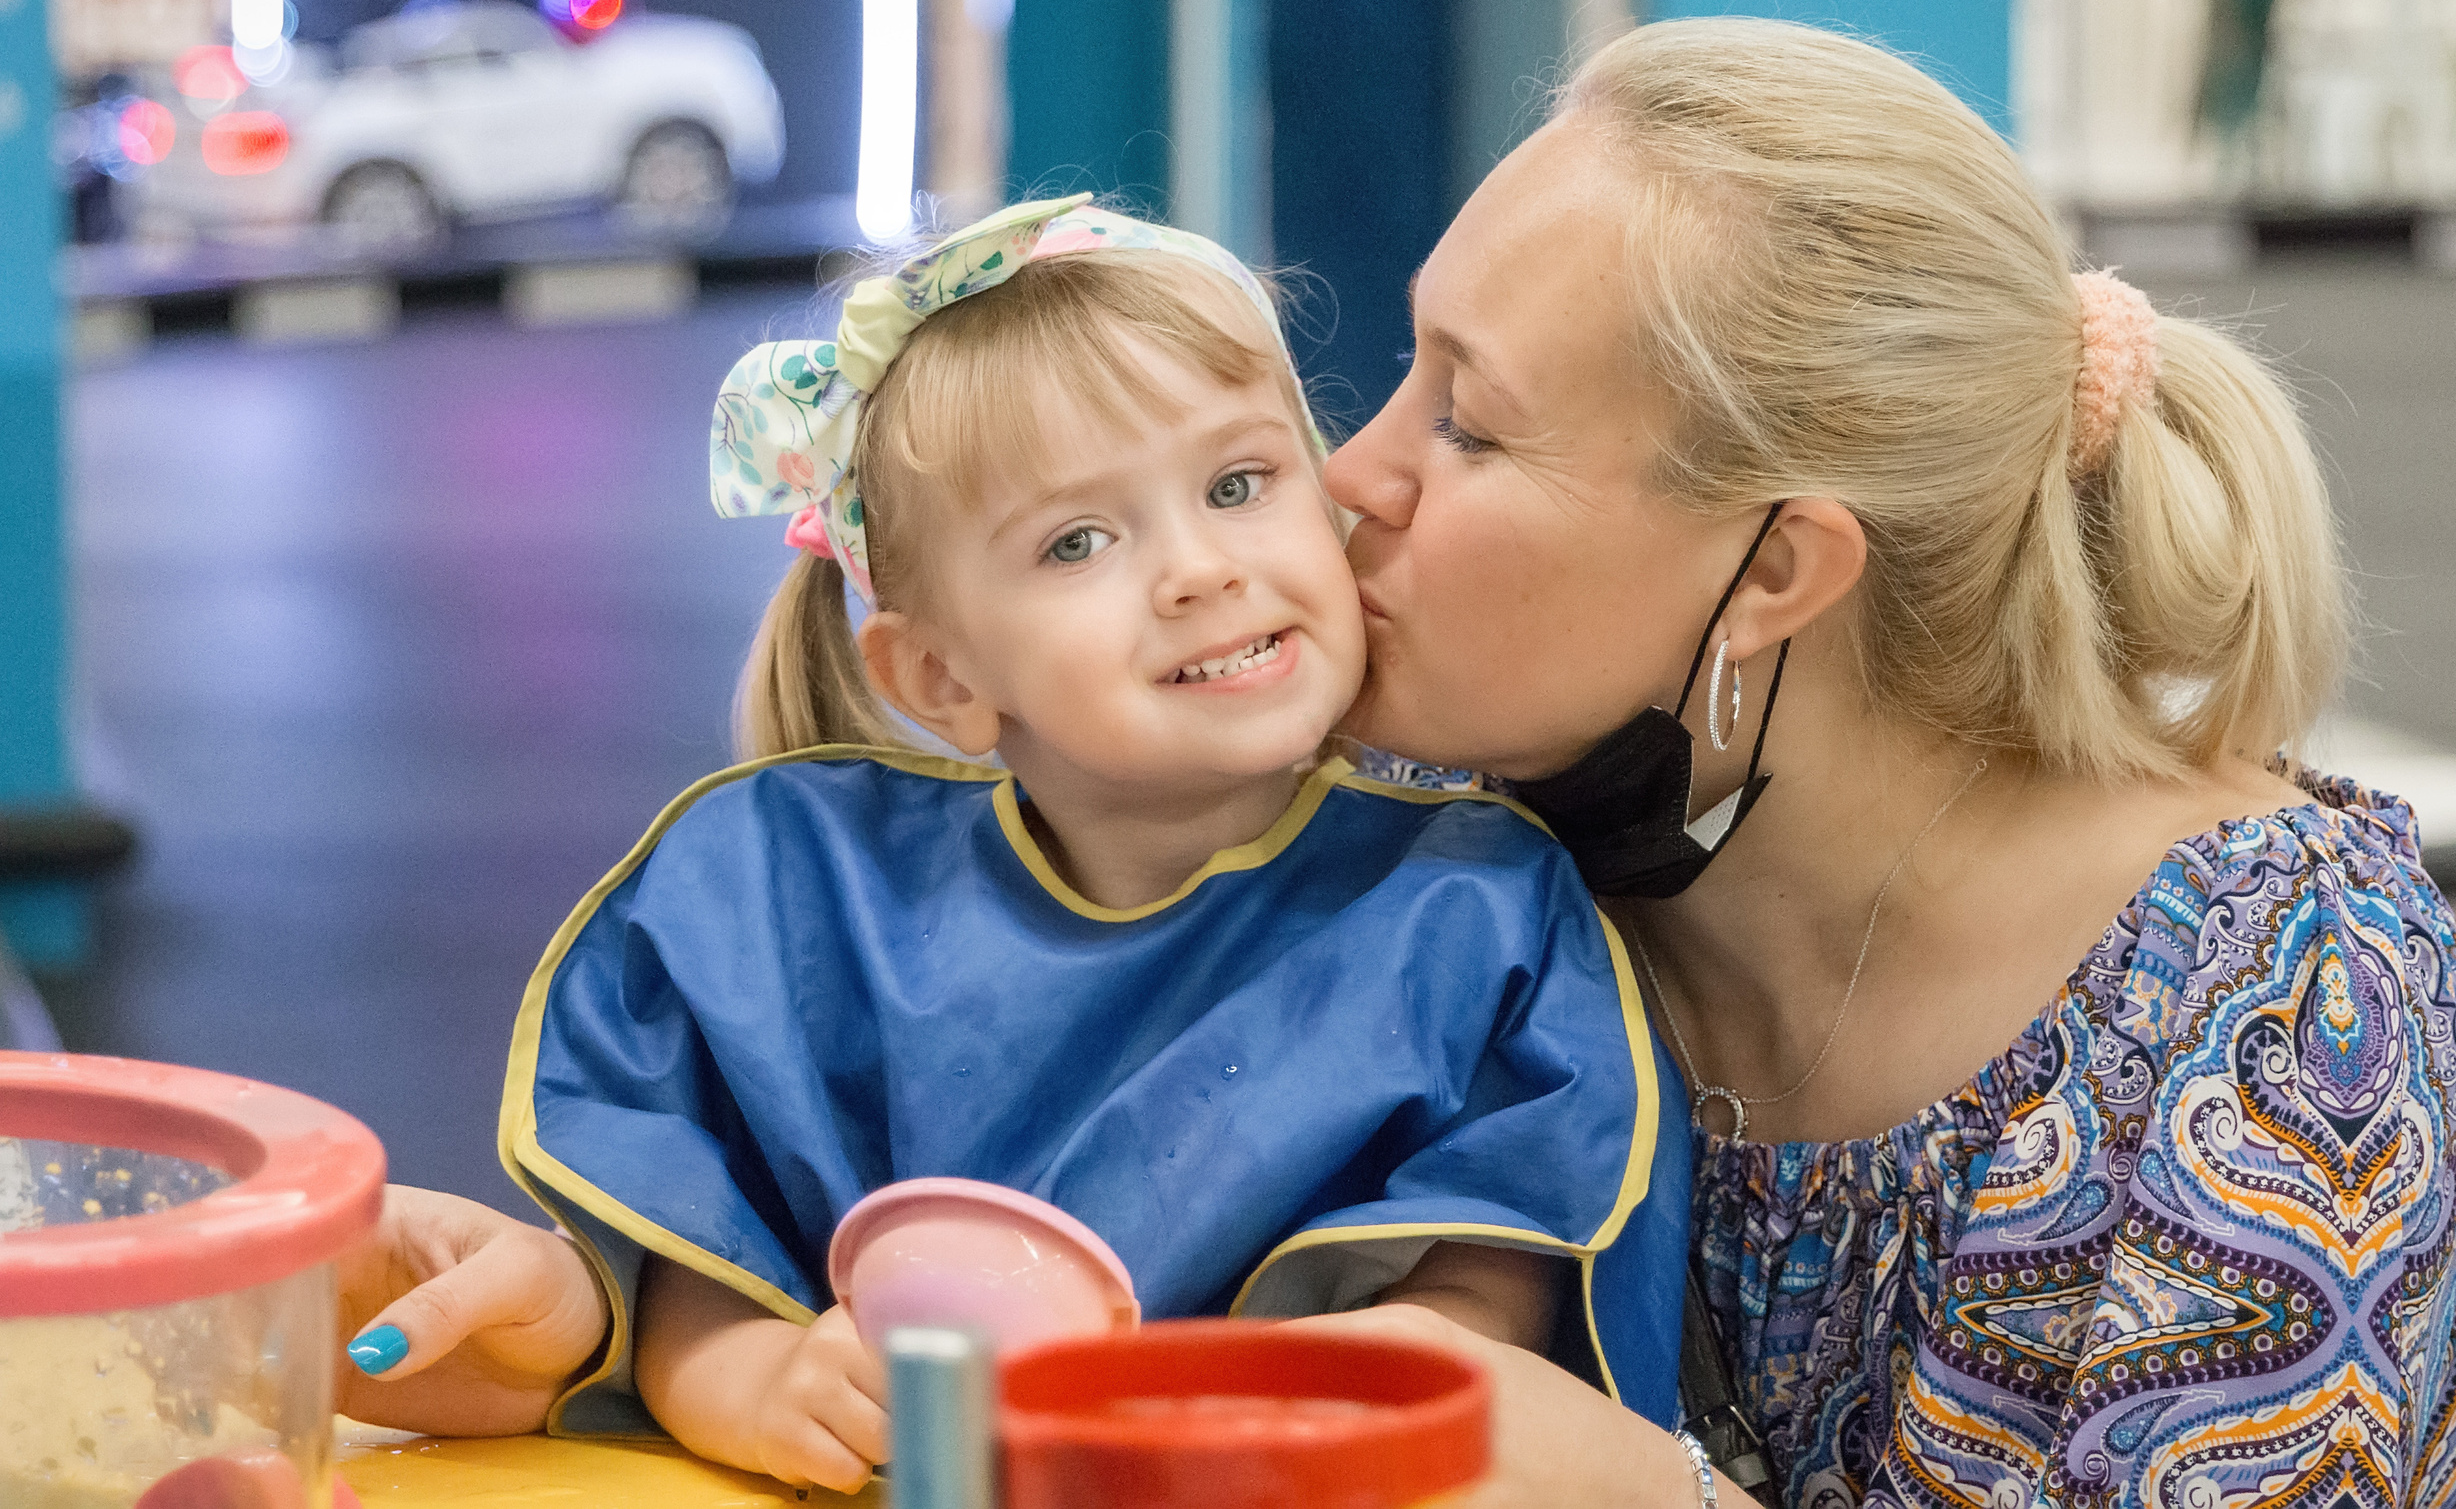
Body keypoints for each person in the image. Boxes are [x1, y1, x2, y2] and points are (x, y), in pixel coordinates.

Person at [340, 20, 2456, 1508]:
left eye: (1464, 422)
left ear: (1772, 571)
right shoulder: (1452, 855)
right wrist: (597, 1312)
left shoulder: (2281, 1025)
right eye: (1388, 375)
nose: (1344, 483)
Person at [466, 195, 1684, 1492]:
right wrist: (753, 1378)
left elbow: (1491, 1298)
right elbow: (683, 1262)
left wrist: (1344, 1396)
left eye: (1237, 485)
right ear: (940, 677)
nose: (1200, 570)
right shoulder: (784, 901)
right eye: (1078, 542)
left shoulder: (1477, 908)